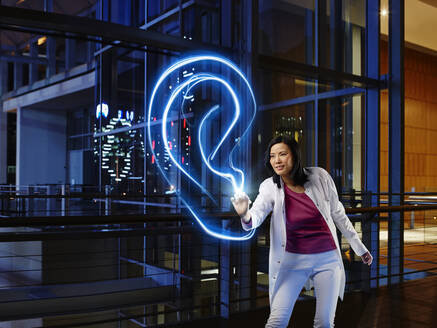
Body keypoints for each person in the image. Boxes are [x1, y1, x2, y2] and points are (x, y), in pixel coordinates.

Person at [231, 135, 373, 328]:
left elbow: (338, 213)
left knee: (324, 323)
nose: (277, 160)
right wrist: (245, 214)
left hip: (327, 260)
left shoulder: (320, 177)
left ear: (295, 156)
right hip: (292, 261)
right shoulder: (269, 187)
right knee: (276, 322)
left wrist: (359, 248)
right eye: (273, 156)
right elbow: (255, 217)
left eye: (283, 154)